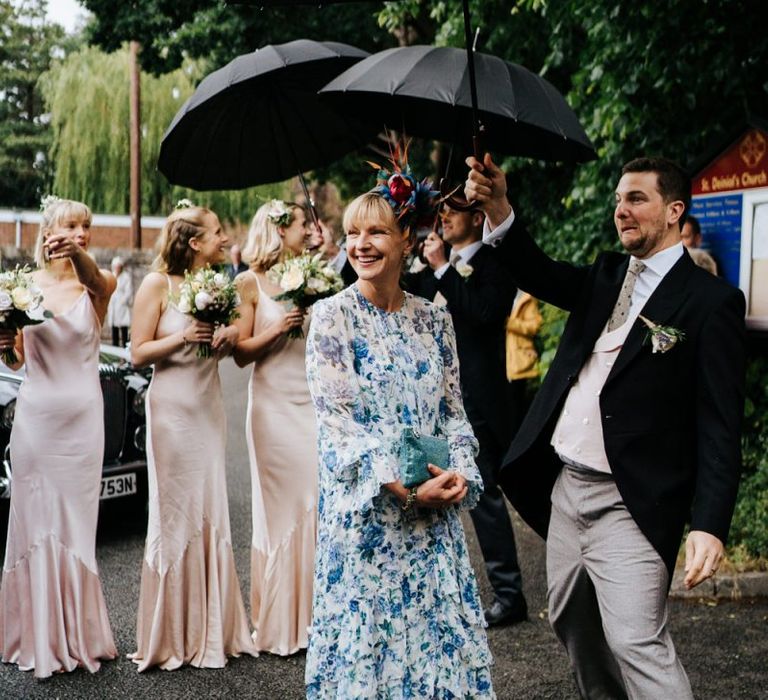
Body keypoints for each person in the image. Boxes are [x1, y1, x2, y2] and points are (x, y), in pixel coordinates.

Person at [465, 154, 746, 699]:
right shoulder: (605, 275)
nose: (621, 210)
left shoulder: (711, 303)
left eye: (636, 199)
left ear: (674, 211)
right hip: (567, 489)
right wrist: (498, 206)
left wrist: (709, 524)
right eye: (618, 200)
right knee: (575, 627)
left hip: (632, 502)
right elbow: (539, 271)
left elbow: (719, 424)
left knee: (638, 641)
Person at [305, 178, 495, 697]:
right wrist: (404, 490)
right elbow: (339, 426)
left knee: (436, 654)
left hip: (433, 522)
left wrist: (458, 473)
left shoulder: (434, 318)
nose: (360, 244)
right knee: (373, 657)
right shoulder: (331, 317)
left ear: (406, 239)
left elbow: (454, 412)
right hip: (369, 525)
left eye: (375, 232)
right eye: (351, 233)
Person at [128, 203, 256, 671]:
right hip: (172, 413)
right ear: (194, 242)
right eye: (217, 232)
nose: (225, 238)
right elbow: (138, 353)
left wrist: (225, 338)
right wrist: (185, 337)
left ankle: (213, 629)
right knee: (175, 513)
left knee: (210, 507)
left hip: (209, 407)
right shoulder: (157, 284)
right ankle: (171, 633)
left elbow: (229, 340)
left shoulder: (219, 285)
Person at [0, 197, 118, 678]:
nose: (81, 232)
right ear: (48, 230)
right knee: (34, 523)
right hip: (36, 423)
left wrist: (77, 253)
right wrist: (6, 345)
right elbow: (16, 363)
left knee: (75, 526)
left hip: (82, 426)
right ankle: (33, 633)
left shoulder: (99, 283)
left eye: (86, 225)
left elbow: (92, 278)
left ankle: (77, 634)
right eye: (70, 225)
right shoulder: (22, 290)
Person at [406, 202, 528, 627]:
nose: (444, 219)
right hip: (432, 401)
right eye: (441, 213)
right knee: (427, 491)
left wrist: (443, 269)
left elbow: (481, 315)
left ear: (478, 218)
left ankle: (509, 595)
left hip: (478, 398)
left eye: (454, 211)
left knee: (484, 494)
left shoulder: (495, 265)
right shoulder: (432, 266)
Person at [232, 199, 316, 655]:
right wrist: (280, 327)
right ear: (280, 230)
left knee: (315, 501)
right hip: (271, 406)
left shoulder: (308, 278)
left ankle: (317, 615)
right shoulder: (249, 282)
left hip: (311, 404)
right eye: (302, 224)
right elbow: (241, 353)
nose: (307, 230)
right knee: (283, 512)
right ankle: (283, 622)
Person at [505, 291, 543, 430]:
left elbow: (534, 326)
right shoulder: (502, 293)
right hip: (505, 359)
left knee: (522, 406)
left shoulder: (526, 297)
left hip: (521, 360)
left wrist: (510, 322)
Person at [107, 255, 133, 346]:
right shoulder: (111, 276)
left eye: (118, 267)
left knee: (124, 331)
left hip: (122, 307)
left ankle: (124, 353)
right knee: (115, 332)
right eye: (115, 267)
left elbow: (128, 292)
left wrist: (122, 302)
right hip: (113, 306)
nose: (117, 269)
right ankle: (115, 351)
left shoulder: (126, 277)